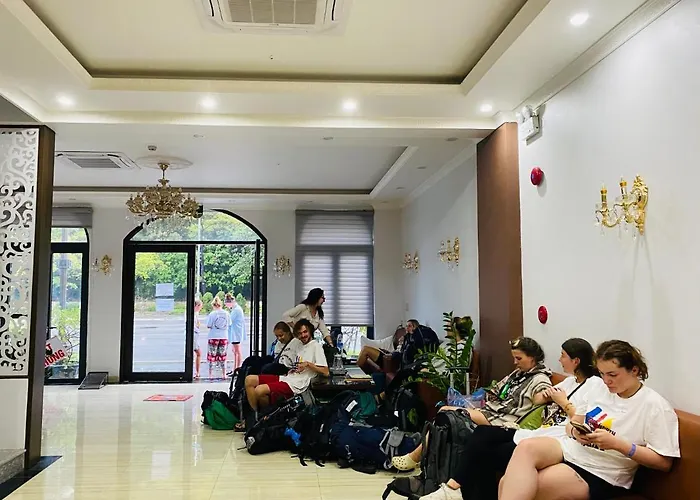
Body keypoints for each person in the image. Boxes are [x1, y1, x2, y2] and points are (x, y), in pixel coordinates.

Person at [419, 338, 605, 500]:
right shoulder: (569, 381)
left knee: (482, 450)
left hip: (548, 436)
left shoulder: (593, 385)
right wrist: (547, 396)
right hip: (533, 427)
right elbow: (538, 398)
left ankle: (453, 488)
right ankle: (453, 487)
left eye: (563, 356)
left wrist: (563, 402)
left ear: (576, 360)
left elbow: (581, 420)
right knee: (479, 434)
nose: (559, 360)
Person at [499, 340, 679, 500]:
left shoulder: (654, 406)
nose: (606, 381)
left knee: (518, 485)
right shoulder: (598, 388)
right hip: (573, 449)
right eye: (602, 374)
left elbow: (664, 463)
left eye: (612, 375)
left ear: (634, 370)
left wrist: (618, 444)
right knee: (526, 448)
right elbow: (573, 423)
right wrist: (575, 432)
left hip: (603, 470)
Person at [393, 336, 552, 471]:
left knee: (447, 412)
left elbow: (540, 397)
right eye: (514, 358)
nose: (515, 362)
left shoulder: (540, 378)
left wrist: (546, 396)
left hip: (501, 419)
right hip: (491, 410)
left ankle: (415, 457)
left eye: (519, 358)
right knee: (444, 416)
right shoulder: (518, 374)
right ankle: (422, 459)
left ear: (532, 357)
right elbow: (495, 390)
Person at [240, 319, 329, 428]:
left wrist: (308, 364)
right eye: (300, 333)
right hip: (290, 376)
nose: (303, 335)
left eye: (305, 332)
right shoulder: (300, 345)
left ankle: (259, 420)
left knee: (259, 390)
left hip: (298, 384)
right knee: (249, 380)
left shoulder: (316, 346)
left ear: (310, 331)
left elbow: (325, 371)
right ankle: (255, 418)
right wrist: (294, 369)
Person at [206, 297, 230, 379]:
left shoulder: (212, 314)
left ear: (213, 305)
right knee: (223, 356)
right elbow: (229, 324)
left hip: (213, 336)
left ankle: (211, 374)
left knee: (211, 356)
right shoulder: (226, 313)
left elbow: (208, 325)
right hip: (224, 336)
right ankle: (224, 374)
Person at [225, 293, 246, 371]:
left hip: (236, 333)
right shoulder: (235, 309)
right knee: (235, 351)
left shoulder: (236, 310)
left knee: (237, 351)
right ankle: (235, 368)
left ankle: (237, 368)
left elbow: (229, 320)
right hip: (236, 332)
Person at [193, 298, 203, 379]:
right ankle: (197, 372)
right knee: (198, 353)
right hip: (194, 336)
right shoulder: (194, 314)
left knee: (198, 353)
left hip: (195, 336)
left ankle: (197, 372)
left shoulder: (196, 314)